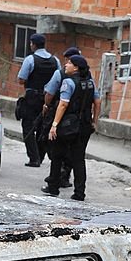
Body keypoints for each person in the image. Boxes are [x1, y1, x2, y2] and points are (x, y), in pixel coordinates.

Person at [42, 53, 100, 201]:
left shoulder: (69, 82)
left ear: (76, 68)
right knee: (79, 159)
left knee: (57, 155)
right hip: (85, 125)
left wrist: (54, 125)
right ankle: (79, 193)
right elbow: (97, 102)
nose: (66, 65)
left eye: (69, 63)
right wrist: (95, 120)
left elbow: (63, 104)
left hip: (67, 125)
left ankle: (53, 187)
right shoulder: (90, 83)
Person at [16, 33, 60, 168]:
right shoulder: (55, 60)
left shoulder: (30, 60)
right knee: (43, 127)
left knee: (28, 127)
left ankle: (34, 158)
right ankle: (40, 156)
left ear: (33, 44)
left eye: (31, 43)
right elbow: (58, 78)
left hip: (32, 98)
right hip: (49, 98)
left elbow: (21, 79)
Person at [41, 45, 81, 186]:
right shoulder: (87, 77)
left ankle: (57, 178)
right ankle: (65, 175)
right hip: (78, 119)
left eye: (69, 61)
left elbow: (50, 94)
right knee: (71, 149)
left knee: (54, 146)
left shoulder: (60, 74)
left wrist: (47, 106)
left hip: (60, 115)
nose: (66, 64)